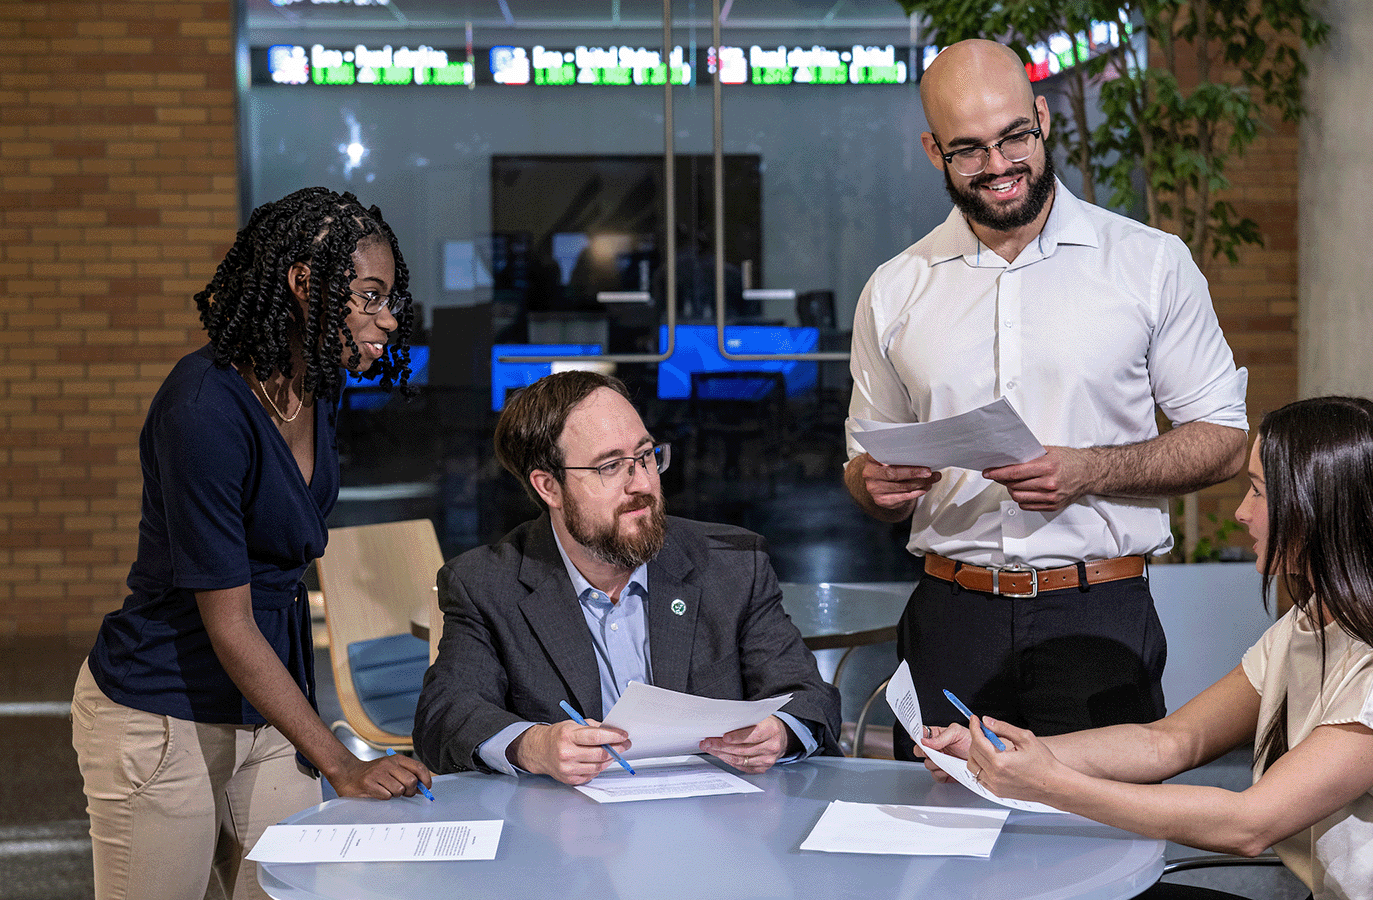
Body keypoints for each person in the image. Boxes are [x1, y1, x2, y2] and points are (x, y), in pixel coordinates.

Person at [924, 396, 1373, 899]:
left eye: (1258, 492)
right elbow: (1170, 741)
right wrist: (1005, 751)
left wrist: (1048, 785)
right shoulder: (1314, 622)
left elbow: (1249, 825)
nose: (1240, 513)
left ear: (1322, 509)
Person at [845, 38, 1250, 760]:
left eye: (1014, 137)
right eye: (969, 149)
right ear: (934, 152)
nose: (998, 166)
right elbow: (862, 461)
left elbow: (1223, 436)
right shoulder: (894, 288)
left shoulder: (1149, 264)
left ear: (1043, 118)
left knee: (1102, 853)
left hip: (1097, 616)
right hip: (949, 620)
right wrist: (872, 484)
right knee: (937, 858)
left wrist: (1089, 471)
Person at [70, 186, 434, 900]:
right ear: (303, 284)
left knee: (290, 891)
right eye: (368, 295)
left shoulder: (315, 388)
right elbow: (228, 621)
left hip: (267, 706)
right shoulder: (201, 409)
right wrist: (340, 761)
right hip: (160, 711)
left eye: (388, 298)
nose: (387, 319)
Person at [413, 370, 842, 782]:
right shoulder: (486, 584)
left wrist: (780, 733)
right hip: (568, 837)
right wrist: (533, 745)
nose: (641, 484)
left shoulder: (730, 565)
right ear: (549, 488)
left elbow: (808, 696)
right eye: (610, 466)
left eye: (645, 456)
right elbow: (446, 716)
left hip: (717, 826)